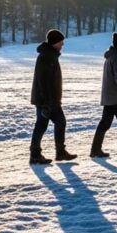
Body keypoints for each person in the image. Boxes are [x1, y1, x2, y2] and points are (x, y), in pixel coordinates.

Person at [29, 29, 76, 164]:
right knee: (44, 125)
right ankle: (36, 154)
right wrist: (47, 102)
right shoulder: (46, 57)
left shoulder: (51, 55)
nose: (62, 44)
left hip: (50, 100)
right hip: (46, 100)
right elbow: (43, 81)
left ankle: (57, 152)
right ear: (54, 42)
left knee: (53, 123)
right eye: (61, 42)